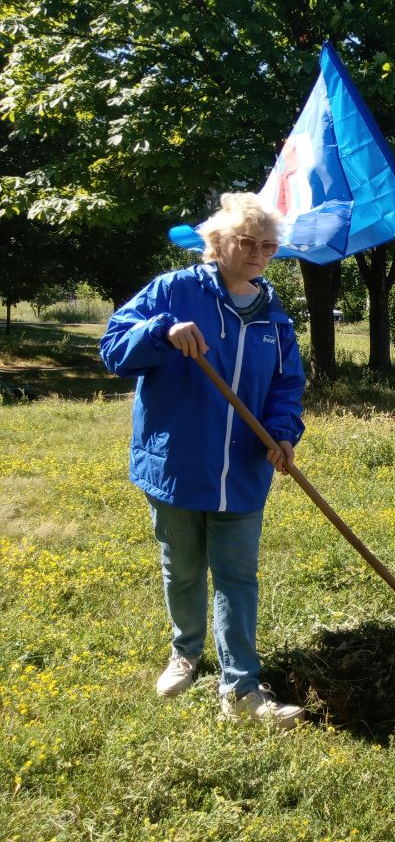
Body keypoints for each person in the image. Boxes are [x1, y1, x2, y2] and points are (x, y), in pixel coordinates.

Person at [100, 192, 307, 729]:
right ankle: (186, 653)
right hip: (176, 465)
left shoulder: (273, 314)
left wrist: (282, 434)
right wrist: (161, 332)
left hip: (242, 469)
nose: (260, 252)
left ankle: (240, 688)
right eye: (248, 242)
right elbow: (113, 349)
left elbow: (287, 383)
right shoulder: (174, 291)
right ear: (217, 243)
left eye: (268, 245)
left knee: (237, 577)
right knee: (183, 568)